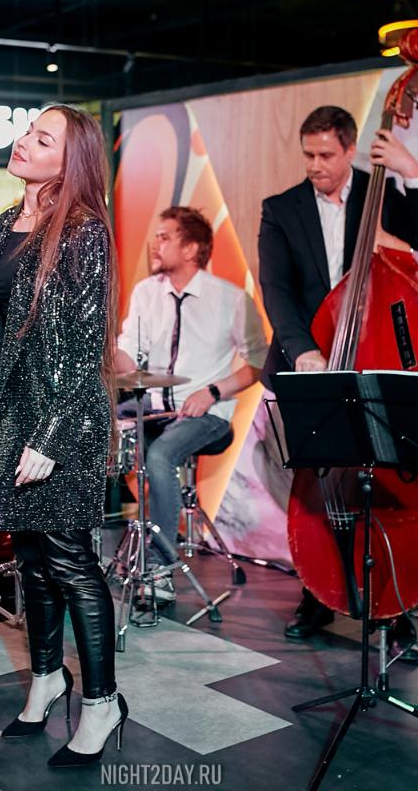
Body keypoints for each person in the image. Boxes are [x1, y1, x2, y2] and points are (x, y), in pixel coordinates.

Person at [0, 104, 127, 768]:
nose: (23, 142)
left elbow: (81, 350)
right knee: (32, 560)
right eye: (27, 132)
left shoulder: (83, 232)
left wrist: (47, 438)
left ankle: (102, 702)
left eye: (42, 138)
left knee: (71, 563)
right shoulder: (7, 222)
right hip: (11, 418)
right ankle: (48, 678)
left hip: (62, 422)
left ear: (69, 161)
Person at [257, 105, 418, 645]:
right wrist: (302, 351)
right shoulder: (281, 209)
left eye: (326, 155)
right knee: (319, 485)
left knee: (380, 486)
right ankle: (316, 591)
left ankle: (390, 603)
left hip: (371, 356)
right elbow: (277, 290)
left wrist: (412, 173)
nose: (315, 165)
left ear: (349, 150)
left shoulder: (378, 190)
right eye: (309, 155)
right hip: (311, 361)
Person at [112, 206, 267, 602]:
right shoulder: (146, 292)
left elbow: (259, 363)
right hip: (153, 408)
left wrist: (213, 392)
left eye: (165, 237)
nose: (155, 243)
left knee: (161, 455)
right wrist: (103, 346)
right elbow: (128, 358)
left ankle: (160, 569)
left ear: (191, 248)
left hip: (208, 415)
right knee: (90, 426)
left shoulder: (231, 299)